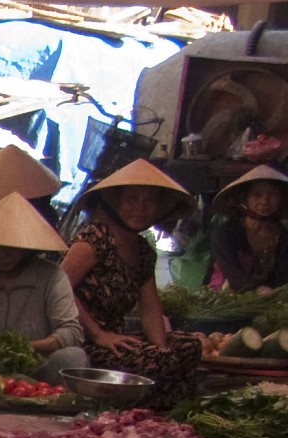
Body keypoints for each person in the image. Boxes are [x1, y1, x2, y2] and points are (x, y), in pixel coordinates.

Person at [62, 158, 200, 408]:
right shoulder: (94, 238)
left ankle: (165, 409)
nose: (140, 208)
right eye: (132, 199)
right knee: (159, 363)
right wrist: (98, 334)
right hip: (85, 341)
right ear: (116, 202)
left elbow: (150, 308)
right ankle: (149, 409)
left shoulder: (143, 250)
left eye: (149, 201)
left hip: (118, 340)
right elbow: (59, 288)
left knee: (188, 346)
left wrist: (162, 349)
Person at [0, 192, 87, 374]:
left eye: (13, 249)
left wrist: (25, 348)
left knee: (74, 357)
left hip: (37, 371)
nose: (4, 255)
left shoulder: (52, 277)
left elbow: (71, 332)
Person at [211, 163, 288, 292]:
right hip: (225, 295)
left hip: (270, 297)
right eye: (257, 195)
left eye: (273, 194)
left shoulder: (282, 234)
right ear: (245, 198)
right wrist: (259, 290)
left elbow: (283, 276)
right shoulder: (226, 234)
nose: (265, 201)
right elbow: (232, 274)